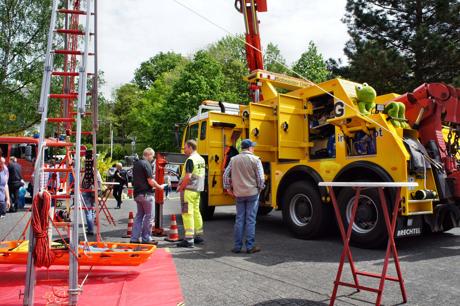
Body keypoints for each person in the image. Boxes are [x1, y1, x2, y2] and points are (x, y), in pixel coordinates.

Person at [223, 139, 265, 254]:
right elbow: (261, 178)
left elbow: (226, 174)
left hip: (239, 194)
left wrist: (228, 188)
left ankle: (237, 247)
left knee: (239, 220)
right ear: (250, 148)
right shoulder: (256, 160)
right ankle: (250, 247)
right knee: (250, 220)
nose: (254, 148)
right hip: (252, 193)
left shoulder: (233, 159)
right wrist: (260, 189)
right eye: (253, 147)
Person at [130, 148, 164, 245]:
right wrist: (159, 187)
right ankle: (146, 238)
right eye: (152, 156)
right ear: (148, 154)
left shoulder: (136, 164)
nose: (152, 158)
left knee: (139, 216)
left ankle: (134, 238)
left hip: (137, 194)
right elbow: (150, 181)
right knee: (149, 217)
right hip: (146, 194)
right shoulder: (146, 164)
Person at [176, 140, 206, 248]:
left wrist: (181, 187)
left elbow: (188, 176)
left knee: (187, 213)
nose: (184, 150)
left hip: (188, 191)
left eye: (185, 148)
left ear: (190, 147)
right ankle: (198, 236)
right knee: (196, 212)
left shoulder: (190, 160)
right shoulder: (201, 159)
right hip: (197, 190)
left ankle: (189, 240)